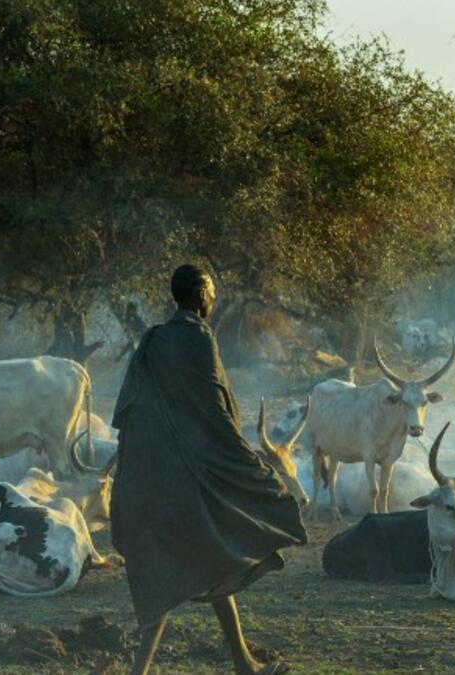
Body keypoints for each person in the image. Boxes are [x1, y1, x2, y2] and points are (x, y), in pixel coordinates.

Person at [110, 264, 307, 675]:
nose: (214, 299)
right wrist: (252, 465)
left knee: (214, 561)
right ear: (201, 295)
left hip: (150, 480)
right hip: (186, 483)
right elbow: (216, 415)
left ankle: (244, 663)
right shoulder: (199, 338)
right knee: (181, 574)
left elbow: (131, 413)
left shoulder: (152, 340)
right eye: (212, 292)